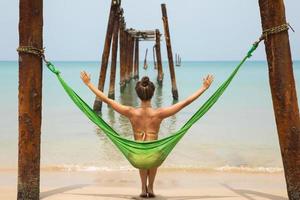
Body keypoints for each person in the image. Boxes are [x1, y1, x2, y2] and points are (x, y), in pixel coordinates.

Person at [80, 71, 214, 198]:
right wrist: (204, 88)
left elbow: (107, 100)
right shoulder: (159, 113)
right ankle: (150, 188)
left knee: (141, 153)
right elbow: (185, 103)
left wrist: (88, 84)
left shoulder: (131, 112)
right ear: (153, 94)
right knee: (154, 152)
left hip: (137, 158)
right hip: (154, 157)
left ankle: (143, 189)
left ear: (138, 94)